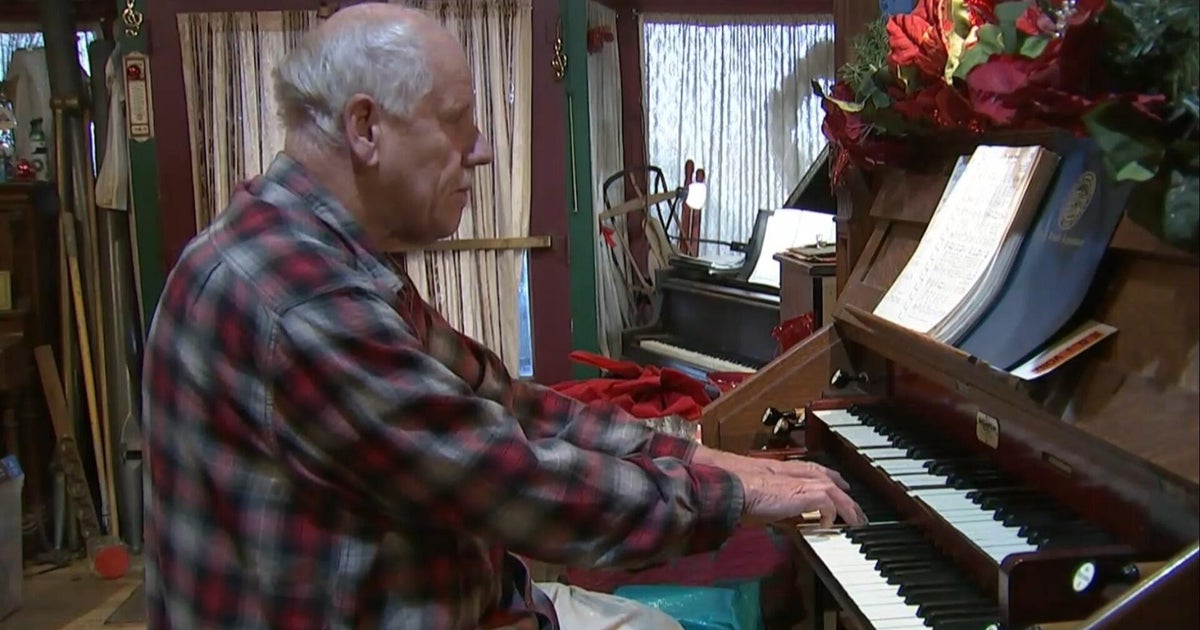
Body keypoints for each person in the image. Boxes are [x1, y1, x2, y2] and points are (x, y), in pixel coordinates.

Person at [140, 4, 865, 629]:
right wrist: (737, 495)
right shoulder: (303, 303)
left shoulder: (320, 250)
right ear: (366, 127)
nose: (482, 151)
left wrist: (697, 454)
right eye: (459, 123)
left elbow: (508, 405)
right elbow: (522, 485)